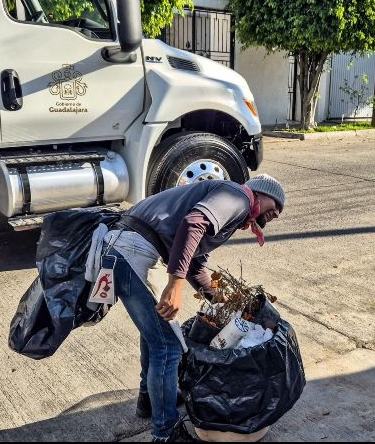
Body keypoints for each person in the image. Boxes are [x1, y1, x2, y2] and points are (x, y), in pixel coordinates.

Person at [94, 174, 285, 442]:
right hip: (131, 249)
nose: (276, 213)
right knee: (168, 346)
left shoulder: (232, 214)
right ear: (260, 193)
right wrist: (175, 284)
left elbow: (195, 263)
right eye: (275, 205)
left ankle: (149, 400)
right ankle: (166, 433)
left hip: (126, 248)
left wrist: (223, 302)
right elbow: (194, 223)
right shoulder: (240, 197)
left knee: (157, 334)